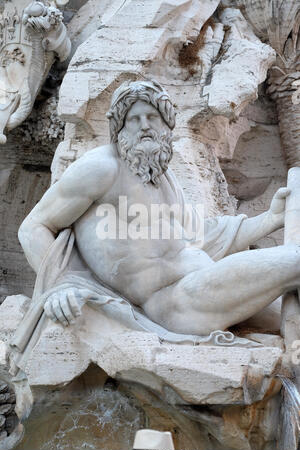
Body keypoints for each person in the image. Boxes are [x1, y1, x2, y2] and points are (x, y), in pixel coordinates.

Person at [18, 79, 295, 336]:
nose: (144, 126)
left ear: (166, 126)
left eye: (152, 117)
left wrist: (269, 220)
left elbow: (197, 235)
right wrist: (59, 285)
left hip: (204, 284)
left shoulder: (161, 174)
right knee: (294, 261)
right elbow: (33, 227)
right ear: (120, 129)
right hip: (177, 303)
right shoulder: (101, 168)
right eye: (133, 119)